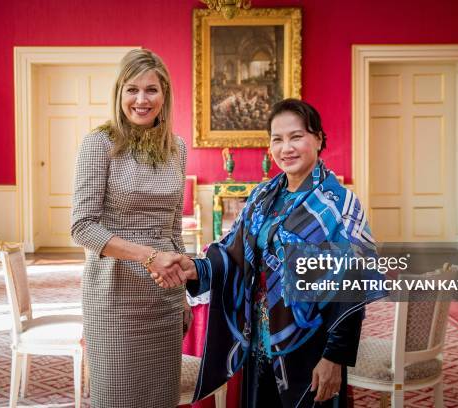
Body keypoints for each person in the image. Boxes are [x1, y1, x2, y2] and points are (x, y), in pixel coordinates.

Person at [152, 99, 386, 407]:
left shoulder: (341, 205)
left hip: (312, 346)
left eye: (296, 136)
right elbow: (231, 253)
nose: (286, 147)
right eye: (277, 139)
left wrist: (335, 357)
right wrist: (195, 268)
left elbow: (352, 286)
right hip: (259, 341)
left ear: (318, 138)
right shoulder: (263, 196)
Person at [71, 48, 190, 407]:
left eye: (151, 90)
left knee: (160, 399)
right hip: (114, 296)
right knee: (117, 398)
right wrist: (148, 257)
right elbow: (82, 227)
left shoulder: (178, 148)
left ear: (165, 94)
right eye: (132, 89)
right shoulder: (99, 143)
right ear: (119, 92)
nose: (142, 100)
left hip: (164, 297)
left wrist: (182, 292)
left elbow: (174, 226)